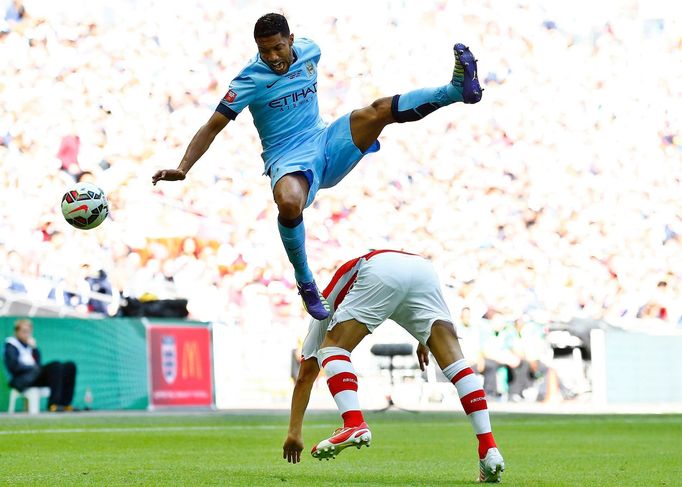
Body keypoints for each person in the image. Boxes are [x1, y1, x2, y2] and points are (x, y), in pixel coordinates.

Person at [151, 13, 483, 320]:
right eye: (264, 51)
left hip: (325, 141)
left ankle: (455, 91)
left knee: (377, 111)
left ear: (291, 39)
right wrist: (183, 168)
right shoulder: (248, 80)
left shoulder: (311, 51)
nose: (273, 58)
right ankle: (306, 281)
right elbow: (212, 126)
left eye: (278, 48)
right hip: (287, 158)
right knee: (289, 202)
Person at [282, 250, 505, 483]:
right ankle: (488, 448)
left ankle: (353, 423)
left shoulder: (320, 312)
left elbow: (305, 377)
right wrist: (423, 340)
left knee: (333, 349)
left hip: (380, 269)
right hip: (423, 269)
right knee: (458, 366)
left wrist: (294, 433)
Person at [3, 319, 77, 412]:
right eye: (24, 331)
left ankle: (65, 403)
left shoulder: (29, 346)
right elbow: (14, 367)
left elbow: (38, 362)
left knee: (70, 366)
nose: (27, 334)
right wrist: (32, 368)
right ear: (16, 332)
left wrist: (34, 349)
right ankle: (53, 404)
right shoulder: (11, 345)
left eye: (29, 332)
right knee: (55, 365)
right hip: (23, 379)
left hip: (35, 376)